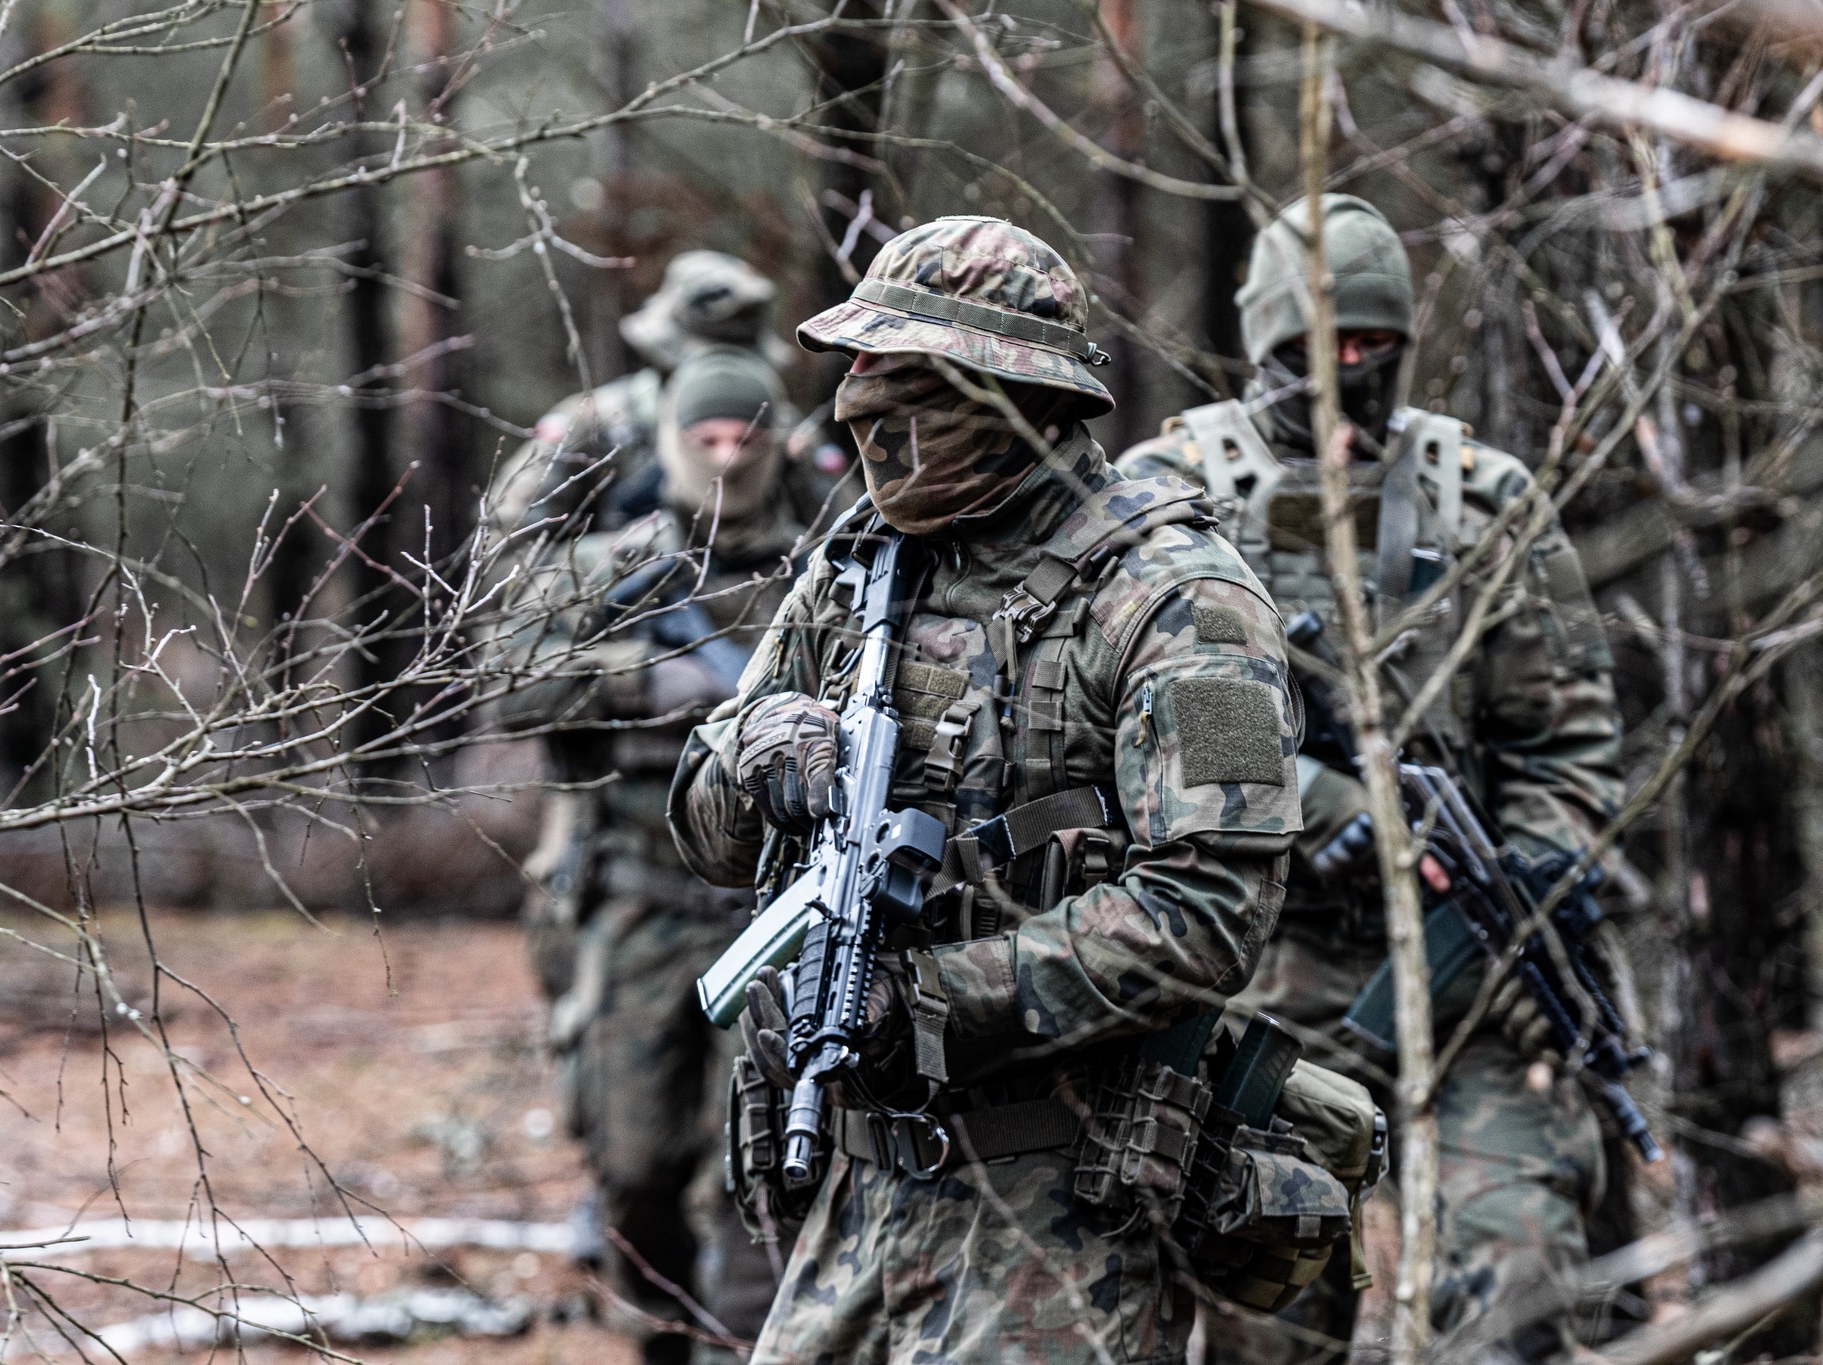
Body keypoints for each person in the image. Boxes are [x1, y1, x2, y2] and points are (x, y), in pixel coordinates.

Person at [667, 215, 1307, 1365]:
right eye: (857, 374)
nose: (862, 409)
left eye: (901, 382)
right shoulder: (864, 565)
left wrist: (929, 1003)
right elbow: (705, 832)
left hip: (1052, 1217)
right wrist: (757, 747)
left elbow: (1210, 908)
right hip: (851, 1206)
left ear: (1008, 394)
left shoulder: (1180, 598)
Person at [1118, 195, 1627, 1364]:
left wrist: (1538, 869)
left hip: (1469, 958)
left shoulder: (1481, 497)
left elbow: (1568, 734)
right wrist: (1303, 802)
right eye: (1313, 348)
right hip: (1258, 962)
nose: (1344, 372)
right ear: (1262, 341)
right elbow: (1133, 703)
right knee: (1268, 1304)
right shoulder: (1168, 491)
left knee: (1520, 1285)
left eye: (1369, 346)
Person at [487, 344, 812, 1363]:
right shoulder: (624, 558)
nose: (725, 456)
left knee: (750, 1173)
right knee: (630, 1164)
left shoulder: (817, 562)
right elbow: (511, 680)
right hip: (636, 902)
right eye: (704, 437)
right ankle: (661, 1336)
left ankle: (737, 1348)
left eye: (743, 437)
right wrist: (649, 684)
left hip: (771, 913)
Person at [489, 248, 857, 539]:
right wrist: (605, 571)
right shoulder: (597, 425)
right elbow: (505, 548)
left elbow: (852, 539)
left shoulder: (785, 435)